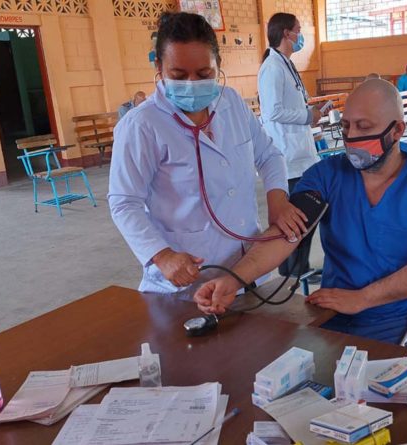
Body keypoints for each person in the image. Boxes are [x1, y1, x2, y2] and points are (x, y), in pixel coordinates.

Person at [194, 79, 407, 360]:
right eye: (345, 126)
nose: (351, 138)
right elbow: (284, 236)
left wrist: (362, 298)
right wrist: (233, 280)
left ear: (398, 130)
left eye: (364, 127)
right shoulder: (326, 175)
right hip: (338, 318)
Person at [108, 12, 305, 297]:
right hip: (185, 283)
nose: (191, 83)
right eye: (178, 75)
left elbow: (269, 154)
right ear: (159, 67)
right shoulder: (141, 125)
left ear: (218, 65)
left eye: (204, 74)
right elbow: (124, 202)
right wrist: (162, 256)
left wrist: (277, 198)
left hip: (249, 269)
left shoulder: (232, 103)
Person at [258, 12, 322, 277]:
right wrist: (307, 116)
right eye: (298, 30)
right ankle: (291, 269)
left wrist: (310, 116)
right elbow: (272, 111)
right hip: (289, 159)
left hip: (302, 154)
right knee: (298, 218)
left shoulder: (285, 64)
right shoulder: (272, 67)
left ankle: (300, 266)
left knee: (308, 215)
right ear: (286, 33)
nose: (300, 36)